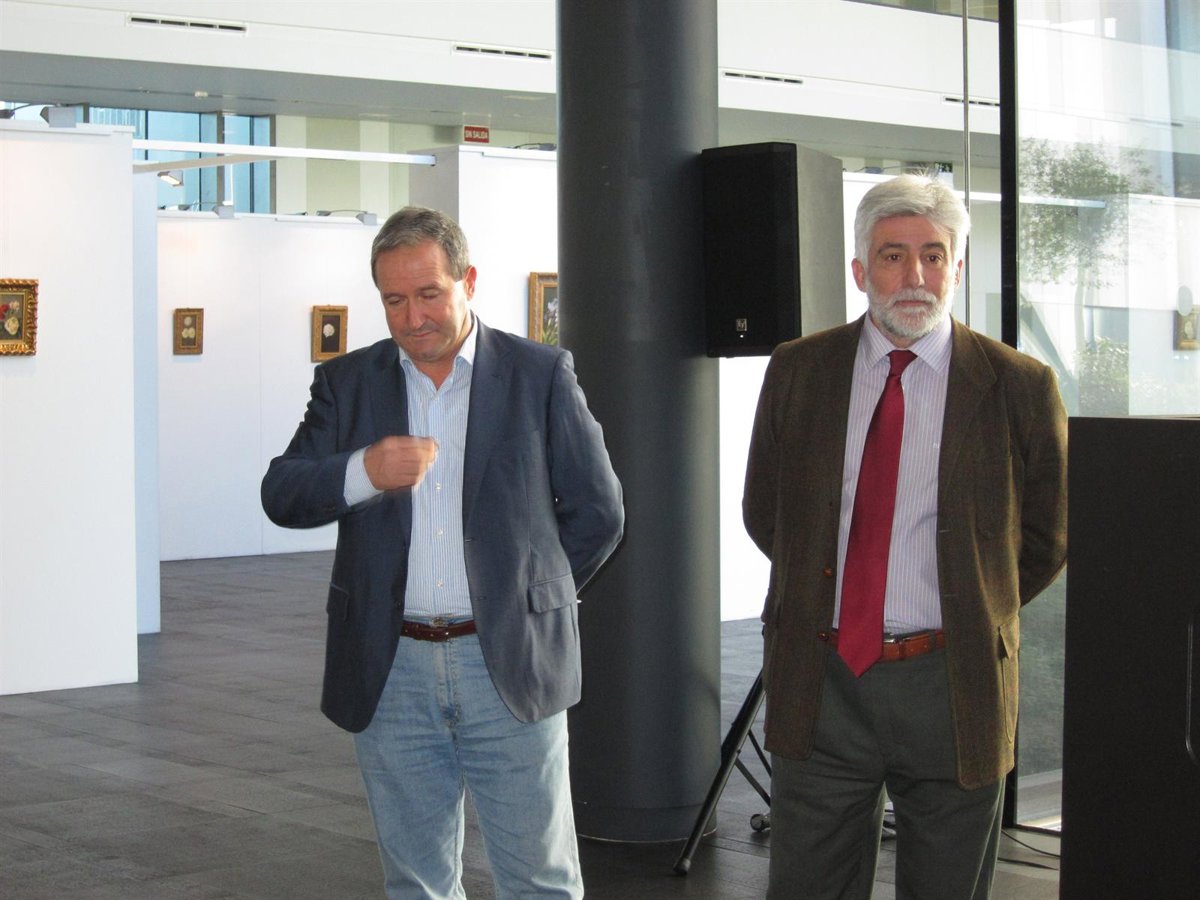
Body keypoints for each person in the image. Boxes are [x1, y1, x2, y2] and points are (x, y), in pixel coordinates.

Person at [262, 206, 624, 899]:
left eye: (428, 293)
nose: (413, 316)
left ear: (469, 281)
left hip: (508, 662)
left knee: (540, 882)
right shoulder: (347, 383)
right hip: (390, 667)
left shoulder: (539, 374)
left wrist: (528, 598)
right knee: (416, 884)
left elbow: (599, 512)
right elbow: (282, 493)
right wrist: (363, 471)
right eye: (394, 300)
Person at [742, 174, 1067, 899]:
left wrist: (971, 600)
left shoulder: (1019, 385)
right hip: (821, 679)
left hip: (954, 681)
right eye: (893, 255)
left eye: (933, 255)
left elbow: (1046, 536)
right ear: (861, 271)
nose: (914, 275)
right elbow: (767, 513)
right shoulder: (799, 370)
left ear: (957, 268)